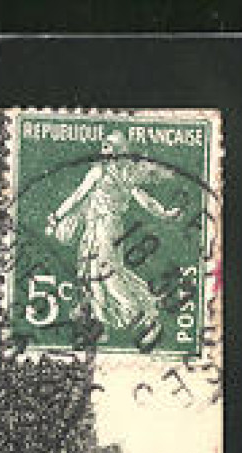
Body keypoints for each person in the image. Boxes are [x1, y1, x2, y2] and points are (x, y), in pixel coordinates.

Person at [45, 131, 182, 349]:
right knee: (93, 276)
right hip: (102, 228)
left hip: (104, 228)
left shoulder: (101, 172)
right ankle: (101, 328)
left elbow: (78, 195)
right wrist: (164, 213)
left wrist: (56, 217)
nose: (104, 150)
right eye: (104, 146)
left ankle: (141, 314)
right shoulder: (125, 174)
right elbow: (143, 199)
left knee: (107, 275)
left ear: (118, 151)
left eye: (108, 147)